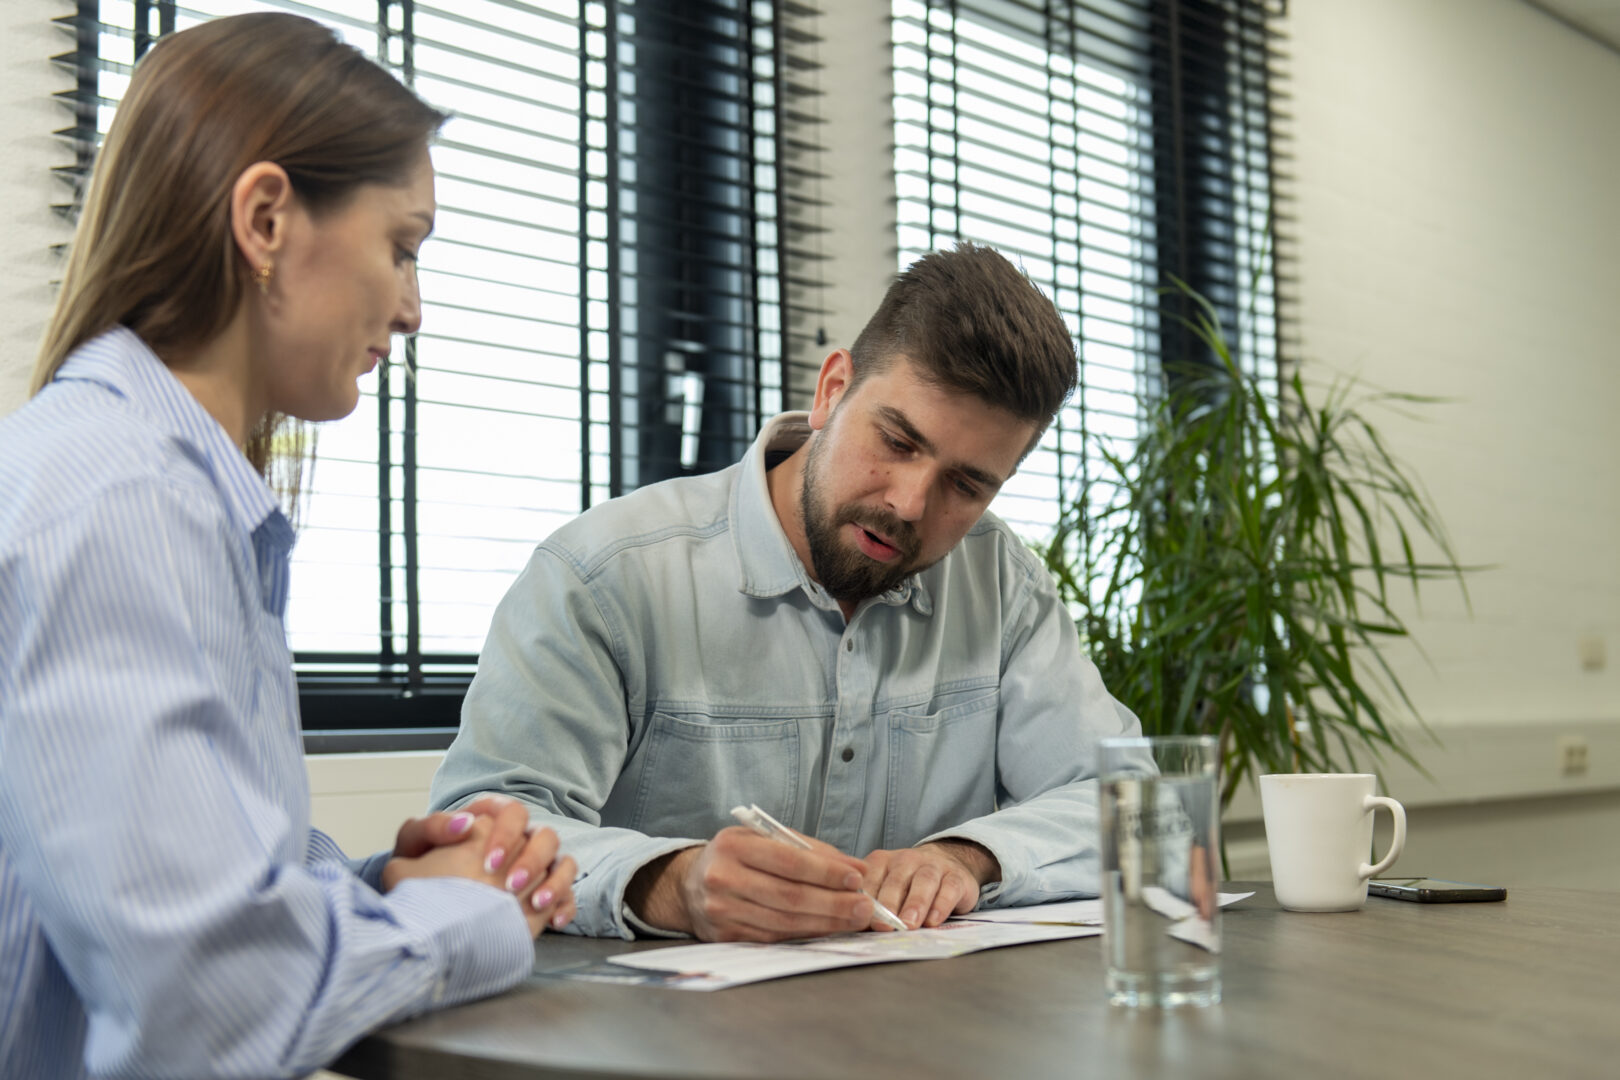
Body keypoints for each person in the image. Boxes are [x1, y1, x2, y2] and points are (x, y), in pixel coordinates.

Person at [0, 15, 576, 1079]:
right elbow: (207, 1001)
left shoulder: (153, 479)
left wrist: (379, 889)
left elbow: (164, 898)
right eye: (402, 247)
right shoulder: (125, 497)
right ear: (266, 218)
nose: (413, 309)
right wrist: (471, 916)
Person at [430, 242, 1142, 943]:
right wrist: (671, 884)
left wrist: (967, 859)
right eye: (898, 441)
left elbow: (1129, 803)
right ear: (833, 390)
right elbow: (483, 831)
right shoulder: (604, 574)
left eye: (966, 485)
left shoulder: (1001, 583)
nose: (910, 503)